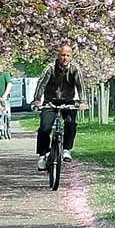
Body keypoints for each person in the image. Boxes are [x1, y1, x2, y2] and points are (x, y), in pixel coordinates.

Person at [33, 43, 84, 171]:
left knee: (71, 123)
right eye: (62, 55)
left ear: (71, 57)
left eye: (68, 55)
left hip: (68, 101)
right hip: (50, 101)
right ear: (58, 56)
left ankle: (67, 149)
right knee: (45, 127)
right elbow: (41, 84)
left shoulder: (75, 69)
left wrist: (83, 101)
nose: (65, 58)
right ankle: (43, 155)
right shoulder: (50, 68)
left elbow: (80, 85)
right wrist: (37, 100)